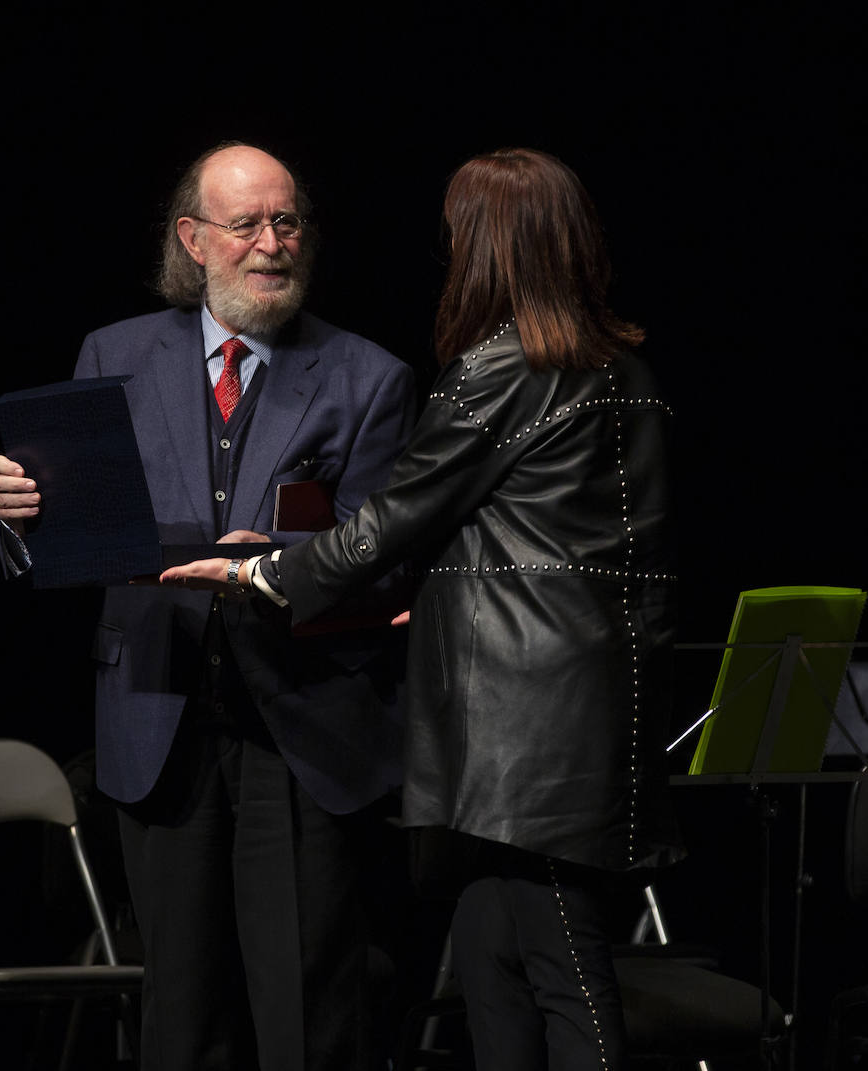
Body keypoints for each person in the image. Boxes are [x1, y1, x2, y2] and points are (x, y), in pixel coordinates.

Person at [163, 147, 685, 1071]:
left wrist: (262, 576)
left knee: (561, 970)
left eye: (457, 238)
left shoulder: (508, 367)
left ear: (489, 246)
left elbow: (392, 523)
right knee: (493, 960)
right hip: (588, 718)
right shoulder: (625, 372)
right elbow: (551, 550)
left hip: (523, 741)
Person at [0, 142, 414, 1070]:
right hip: (158, 723)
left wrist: (274, 562)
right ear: (194, 239)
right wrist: (20, 519)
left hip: (299, 734)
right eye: (248, 224)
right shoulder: (115, 353)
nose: (273, 243)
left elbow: (384, 558)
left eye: (287, 221)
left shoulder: (365, 376)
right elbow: (65, 540)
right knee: (180, 1024)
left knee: (309, 1020)